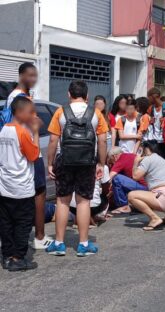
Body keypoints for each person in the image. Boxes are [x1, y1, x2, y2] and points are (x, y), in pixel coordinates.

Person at [45, 80, 108, 257]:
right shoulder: (96, 113)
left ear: (68, 94)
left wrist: (50, 163)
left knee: (63, 201)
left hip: (64, 162)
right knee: (83, 201)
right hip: (87, 163)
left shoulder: (60, 112)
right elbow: (102, 141)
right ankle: (83, 244)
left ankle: (58, 243)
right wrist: (101, 164)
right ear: (87, 96)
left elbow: (52, 141)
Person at [5, 62, 53, 250]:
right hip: (27, 149)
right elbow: (23, 125)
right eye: (30, 76)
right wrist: (35, 128)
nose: (33, 79)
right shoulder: (19, 98)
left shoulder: (15, 97)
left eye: (35, 76)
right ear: (21, 76)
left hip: (19, 150)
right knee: (38, 192)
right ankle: (39, 236)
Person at [0, 97, 41, 271]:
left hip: (5, 185)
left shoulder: (3, 131)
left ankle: (7, 255)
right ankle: (18, 258)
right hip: (21, 187)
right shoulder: (22, 132)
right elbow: (33, 156)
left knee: (6, 223)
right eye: (30, 112)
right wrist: (36, 133)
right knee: (23, 224)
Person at [128, 141, 165, 231]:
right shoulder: (161, 159)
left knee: (131, 196)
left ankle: (154, 218)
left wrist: (135, 162)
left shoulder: (148, 159)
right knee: (156, 190)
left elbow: (135, 176)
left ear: (144, 149)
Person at [108, 147, 148, 214]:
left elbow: (110, 177)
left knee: (116, 178)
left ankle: (124, 206)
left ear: (114, 156)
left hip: (144, 187)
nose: (112, 162)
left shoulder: (121, 159)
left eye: (111, 159)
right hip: (148, 186)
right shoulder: (131, 155)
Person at [147, 88, 165, 157]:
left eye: (148, 97)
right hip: (154, 140)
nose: (148, 99)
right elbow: (148, 123)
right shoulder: (150, 108)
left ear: (153, 96)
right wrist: (150, 122)